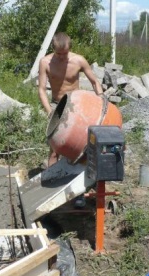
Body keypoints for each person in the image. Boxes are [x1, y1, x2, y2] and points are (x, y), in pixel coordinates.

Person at [38, 32, 103, 207]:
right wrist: (50, 111)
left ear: (69, 49)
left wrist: (101, 99)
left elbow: (95, 82)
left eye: (65, 54)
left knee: (82, 147)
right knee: (54, 149)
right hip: (57, 105)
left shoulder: (79, 60)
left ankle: (81, 190)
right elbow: (42, 90)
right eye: (58, 54)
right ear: (53, 49)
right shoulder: (45, 62)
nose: (61, 57)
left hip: (77, 105)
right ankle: (52, 188)